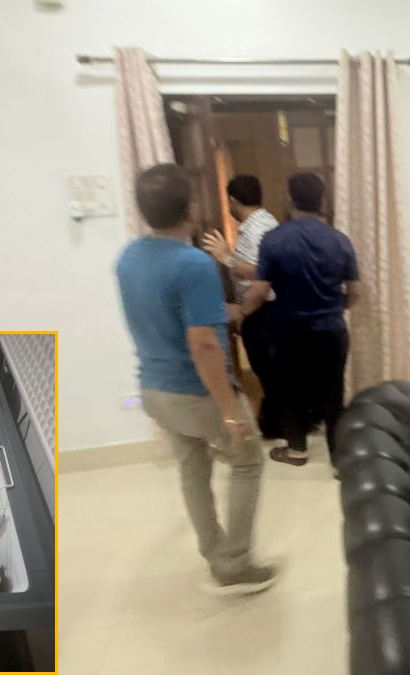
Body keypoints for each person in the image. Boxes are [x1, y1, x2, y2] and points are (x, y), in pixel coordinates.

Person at [114, 163, 277, 596]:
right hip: (194, 391)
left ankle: (215, 554)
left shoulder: (129, 257)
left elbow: (159, 312)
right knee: (247, 461)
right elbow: (203, 345)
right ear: (190, 206)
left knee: (193, 470)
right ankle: (234, 565)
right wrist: (230, 410)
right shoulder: (193, 264)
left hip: (154, 388)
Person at [232, 173, 361, 467]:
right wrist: (333, 307)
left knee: (288, 389)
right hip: (331, 330)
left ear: (290, 199)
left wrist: (242, 312)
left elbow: (260, 290)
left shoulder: (274, 239)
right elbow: (355, 292)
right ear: (321, 200)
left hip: (288, 331)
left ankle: (297, 449)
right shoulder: (340, 240)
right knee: (333, 392)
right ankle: (338, 458)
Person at [201, 175, 282, 439]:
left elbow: (264, 274)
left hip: (263, 310)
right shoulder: (262, 223)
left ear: (233, 201)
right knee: (271, 373)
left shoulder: (258, 230)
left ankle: (279, 425)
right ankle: (278, 423)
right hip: (262, 309)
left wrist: (227, 258)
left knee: (269, 373)